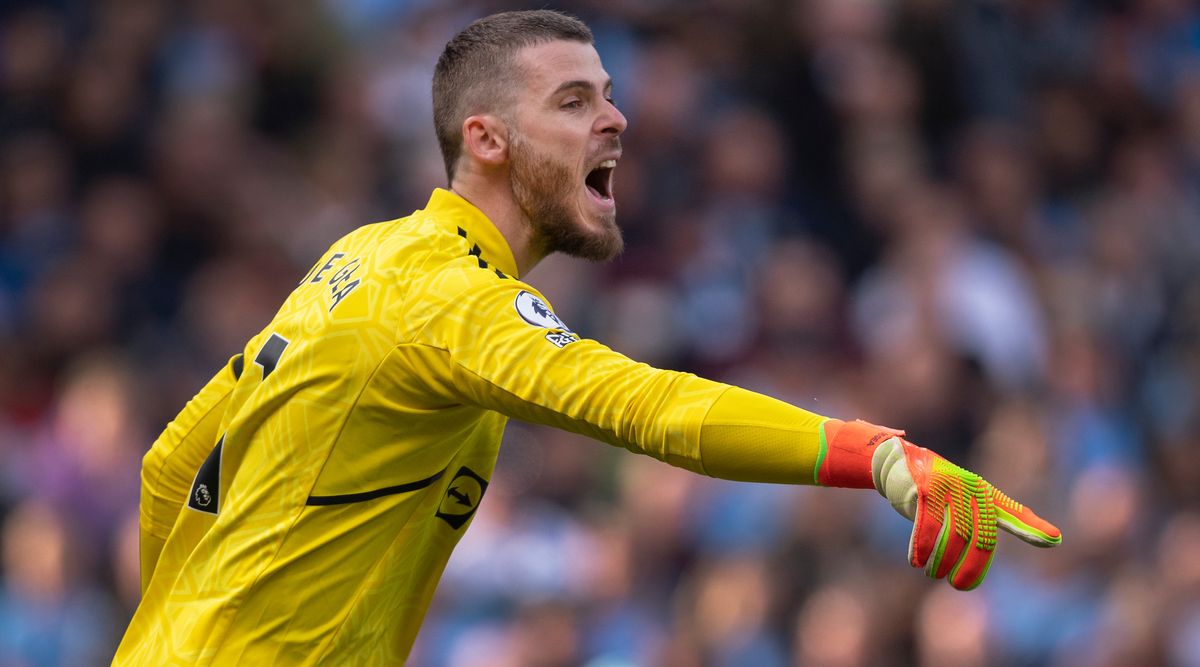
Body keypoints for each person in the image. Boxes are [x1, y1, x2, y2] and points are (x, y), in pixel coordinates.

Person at [113, 10, 1061, 665]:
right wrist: (877, 455)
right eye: (572, 102)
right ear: (486, 138)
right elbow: (648, 406)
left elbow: (170, 466)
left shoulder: (363, 256)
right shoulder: (453, 301)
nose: (615, 117)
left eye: (607, 94)